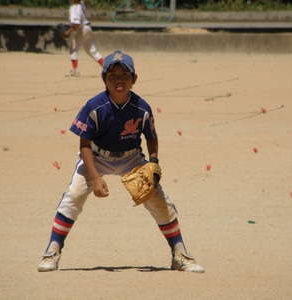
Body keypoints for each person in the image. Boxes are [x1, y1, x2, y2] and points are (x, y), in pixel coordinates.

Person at [37, 50, 205, 273]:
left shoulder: (141, 108)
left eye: (124, 75)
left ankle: (179, 253)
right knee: (74, 196)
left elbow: (151, 137)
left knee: (158, 201)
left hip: (130, 157)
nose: (118, 79)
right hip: (96, 157)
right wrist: (95, 178)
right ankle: (52, 250)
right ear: (104, 80)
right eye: (112, 75)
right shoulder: (94, 107)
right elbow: (84, 145)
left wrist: (152, 164)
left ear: (134, 79)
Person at [63, 0, 103, 77]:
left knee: (73, 49)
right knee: (91, 50)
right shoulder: (81, 4)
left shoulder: (75, 8)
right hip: (87, 27)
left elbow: (77, 24)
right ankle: (107, 68)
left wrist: (68, 32)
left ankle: (75, 71)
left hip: (82, 29)